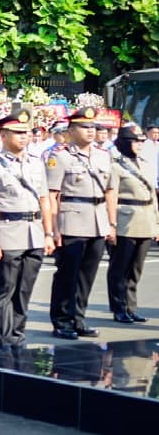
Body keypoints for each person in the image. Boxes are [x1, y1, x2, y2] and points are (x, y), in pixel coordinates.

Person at [0, 109, 55, 353]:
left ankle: (17, 335)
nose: (24, 137)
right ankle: (2, 339)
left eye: (26, 133)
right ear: (3, 135)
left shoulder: (36, 162)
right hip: (7, 231)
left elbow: (44, 199)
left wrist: (48, 233)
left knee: (24, 290)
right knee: (5, 289)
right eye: (17, 133)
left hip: (33, 232)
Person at [46, 106, 117, 340]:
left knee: (87, 274)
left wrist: (111, 223)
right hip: (72, 220)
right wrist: (53, 229)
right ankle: (62, 320)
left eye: (93, 127)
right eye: (84, 127)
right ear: (71, 130)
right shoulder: (61, 156)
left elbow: (110, 191)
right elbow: (52, 195)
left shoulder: (103, 155)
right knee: (68, 273)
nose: (90, 131)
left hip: (97, 220)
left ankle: (79, 318)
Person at [107, 126, 159, 324]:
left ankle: (131, 306)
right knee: (120, 268)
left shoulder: (146, 164)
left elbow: (152, 195)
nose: (139, 145)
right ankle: (119, 307)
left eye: (140, 141)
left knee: (136, 269)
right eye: (135, 141)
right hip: (125, 220)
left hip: (145, 219)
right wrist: (111, 223)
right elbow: (111, 194)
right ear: (124, 143)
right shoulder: (116, 166)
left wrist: (157, 222)